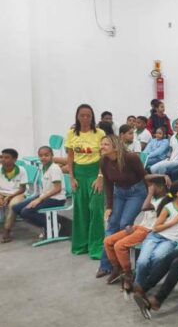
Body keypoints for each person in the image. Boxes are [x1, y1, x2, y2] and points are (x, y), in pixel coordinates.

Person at [131, 180, 178, 315]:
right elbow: (156, 227)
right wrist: (173, 222)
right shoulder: (168, 207)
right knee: (142, 261)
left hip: (171, 240)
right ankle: (138, 288)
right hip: (156, 237)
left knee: (158, 257)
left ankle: (142, 288)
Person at [99, 135, 155, 277]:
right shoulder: (104, 160)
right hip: (119, 192)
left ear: (115, 146)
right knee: (112, 224)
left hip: (136, 192)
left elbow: (145, 176)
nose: (102, 147)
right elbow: (107, 183)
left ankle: (127, 265)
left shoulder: (131, 158)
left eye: (106, 144)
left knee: (124, 223)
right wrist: (109, 206)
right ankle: (108, 266)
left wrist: (152, 196)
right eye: (101, 144)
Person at [102, 177, 167, 290]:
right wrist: (133, 226)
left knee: (119, 246)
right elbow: (144, 216)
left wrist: (150, 193)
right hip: (139, 227)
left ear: (161, 187)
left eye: (153, 186)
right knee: (108, 241)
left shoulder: (164, 201)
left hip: (148, 231)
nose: (150, 188)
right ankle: (117, 268)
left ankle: (128, 274)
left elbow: (144, 207)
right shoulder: (153, 198)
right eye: (149, 186)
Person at [65, 104, 106, 259]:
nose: (85, 118)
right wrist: (72, 178)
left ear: (92, 116)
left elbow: (104, 156)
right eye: (82, 115)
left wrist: (100, 177)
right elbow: (70, 157)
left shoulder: (99, 133)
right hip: (79, 174)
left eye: (88, 115)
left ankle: (96, 246)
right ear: (77, 116)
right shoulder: (71, 133)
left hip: (95, 173)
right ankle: (81, 244)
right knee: (80, 211)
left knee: (96, 210)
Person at [11, 146, 66, 237]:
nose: (43, 157)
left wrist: (39, 200)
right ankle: (46, 225)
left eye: (46, 155)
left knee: (26, 212)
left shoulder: (54, 168)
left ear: (52, 155)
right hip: (45, 196)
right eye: (41, 156)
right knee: (16, 207)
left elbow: (57, 189)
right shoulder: (43, 167)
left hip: (56, 199)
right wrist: (39, 198)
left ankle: (53, 225)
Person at [0, 149, 28, 243]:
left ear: (15, 159)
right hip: (2, 192)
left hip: (17, 193)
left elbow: (22, 189)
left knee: (13, 205)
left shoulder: (21, 170)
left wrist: (11, 196)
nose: (3, 159)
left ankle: (6, 231)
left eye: (7, 157)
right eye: (2, 157)